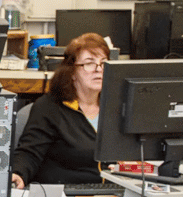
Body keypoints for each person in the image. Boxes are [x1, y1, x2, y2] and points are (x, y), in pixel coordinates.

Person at [11, 33, 110, 188]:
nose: (99, 69)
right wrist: (18, 174)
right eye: (89, 63)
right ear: (72, 72)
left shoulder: (117, 106)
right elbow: (30, 153)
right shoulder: (49, 107)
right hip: (66, 193)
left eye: (103, 63)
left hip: (115, 193)